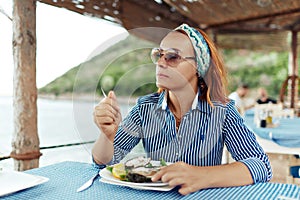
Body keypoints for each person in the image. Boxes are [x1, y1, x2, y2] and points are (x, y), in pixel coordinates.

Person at [92, 23, 272, 195]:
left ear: (198, 67)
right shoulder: (144, 108)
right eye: (159, 55)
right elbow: (105, 162)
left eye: (172, 57)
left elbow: (261, 165)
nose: (161, 63)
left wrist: (201, 176)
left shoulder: (222, 111)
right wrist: (107, 135)